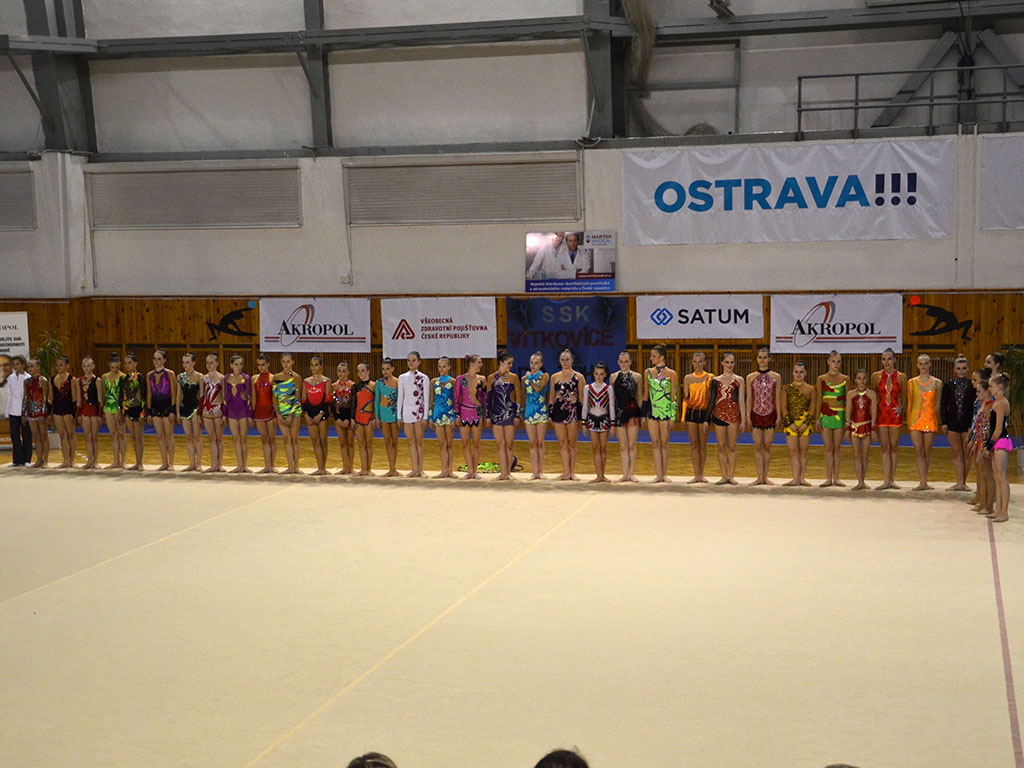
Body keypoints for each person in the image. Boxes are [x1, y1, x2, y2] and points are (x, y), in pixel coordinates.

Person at [745, 347, 782, 486]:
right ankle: (759, 477)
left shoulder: (776, 377)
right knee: (757, 446)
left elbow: (777, 397)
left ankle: (765, 477)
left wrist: (779, 416)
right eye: (760, 357)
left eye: (765, 357)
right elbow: (749, 398)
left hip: (770, 413)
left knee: (767, 446)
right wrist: (748, 416)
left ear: (769, 359)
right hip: (755, 413)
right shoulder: (751, 377)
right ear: (756, 359)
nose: (762, 360)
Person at [871, 348, 906, 491]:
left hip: (894, 414)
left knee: (894, 446)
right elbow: (874, 397)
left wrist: (901, 408)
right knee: (884, 447)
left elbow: (903, 396)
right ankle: (886, 480)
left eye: (889, 359)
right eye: (884, 359)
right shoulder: (876, 376)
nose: (887, 362)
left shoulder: (901, 377)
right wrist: (873, 416)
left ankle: (892, 479)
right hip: (881, 413)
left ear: (895, 360)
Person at [907, 353, 942, 491]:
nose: (923, 366)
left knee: (927, 451)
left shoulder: (937, 383)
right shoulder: (911, 382)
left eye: (926, 363)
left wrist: (937, 419)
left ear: (930, 364)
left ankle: (924, 480)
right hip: (915, 419)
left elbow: (937, 403)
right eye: (921, 364)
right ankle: (922, 481)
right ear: (917, 365)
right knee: (919, 451)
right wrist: (909, 421)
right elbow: (910, 402)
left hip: (930, 419)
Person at [644, 344, 678, 483]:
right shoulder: (648, 372)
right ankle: (658, 474)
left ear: (661, 357)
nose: (651, 358)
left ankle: (664, 474)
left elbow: (674, 396)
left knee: (664, 443)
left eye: (654, 356)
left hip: (665, 412)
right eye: (651, 356)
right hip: (652, 411)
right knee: (655, 443)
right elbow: (646, 394)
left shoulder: (672, 374)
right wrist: (643, 414)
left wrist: (673, 417)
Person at [710, 351, 745, 485]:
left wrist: (743, 420)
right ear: (722, 363)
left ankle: (731, 475)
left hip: (733, 416)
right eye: (727, 362)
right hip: (718, 414)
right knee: (721, 446)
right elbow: (712, 400)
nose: (729, 365)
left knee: (732, 446)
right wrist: (708, 418)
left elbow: (741, 400)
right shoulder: (715, 380)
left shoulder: (739, 380)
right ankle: (724, 475)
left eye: (732, 362)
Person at [940, 354, 974, 492]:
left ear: (968, 369)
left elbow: (975, 406)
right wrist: (944, 422)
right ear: (954, 369)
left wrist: (972, 424)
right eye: (958, 368)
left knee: (967, 452)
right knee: (956, 452)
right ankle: (959, 482)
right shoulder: (948, 385)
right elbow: (944, 404)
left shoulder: (972, 385)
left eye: (964, 368)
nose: (961, 371)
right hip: (952, 421)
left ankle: (963, 482)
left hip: (967, 422)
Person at [549, 348, 584, 481]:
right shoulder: (554, 377)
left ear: (572, 360)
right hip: (558, 412)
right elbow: (551, 398)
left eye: (567, 360)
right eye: (563, 360)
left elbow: (581, 399)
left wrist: (581, 417)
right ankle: (565, 471)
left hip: (573, 412)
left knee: (572, 443)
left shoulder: (579, 377)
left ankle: (572, 472)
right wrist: (550, 414)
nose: (565, 362)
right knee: (562, 443)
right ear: (559, 361)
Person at [817, 350, 849, 488]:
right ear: (828, 362)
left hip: (840, 415)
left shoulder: (845, 379)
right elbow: (819, 399)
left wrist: (847, 419)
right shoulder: (821, 379)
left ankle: (837, 478)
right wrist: (817, 418)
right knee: (828, 448)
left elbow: (848, 400)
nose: (836, 364)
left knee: (837, 447)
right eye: (833, 361)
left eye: (838, 362)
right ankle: (828, 478)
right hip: (826, 415)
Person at [486, 351, 521, 481]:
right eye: (508, 363)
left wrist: (517, 414)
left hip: (510, 414)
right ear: (501, 362)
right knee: (500, 444)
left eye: (511, 363)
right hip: (496, 414)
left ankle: (509, 472)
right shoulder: (491, 378)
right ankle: (503, 472)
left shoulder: (514, 378)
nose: (510, 366)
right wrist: (488, 416)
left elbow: (518, 397)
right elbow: (488, 399)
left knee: (509, 444)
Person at [781, 361, 816, 487]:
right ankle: (795, 478)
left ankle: (802, 478)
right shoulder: (786, 388)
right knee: (793, 451)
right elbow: (784, 408)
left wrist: (806, 424)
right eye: (796, 372)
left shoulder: (811, 389)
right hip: (790, 424)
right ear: (792, 373)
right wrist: (789, 424)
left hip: (805, 424)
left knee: (803, 451)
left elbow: (812, 408)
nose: (799, 374)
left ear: (805, 373)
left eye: (801, 372)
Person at [397, 351, 431, 478]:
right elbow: (400, 397)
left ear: (419, 362)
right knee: (411, 441)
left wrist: (425, 417)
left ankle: (420, 470)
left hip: (418, 412)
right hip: (406, 413)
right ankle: (414, 469)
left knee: (419, 441)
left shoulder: (424, 378)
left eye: (413, 360)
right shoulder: (402, 378)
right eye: (409, 360)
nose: (411, 363)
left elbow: (426, 398)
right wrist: (399, 416)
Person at [985, 373, 1013, 523]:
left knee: (1002, 477)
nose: (989, 389)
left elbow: (998, 429)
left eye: (991, 386)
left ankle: (1004, 512)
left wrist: (988, 446)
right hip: (997, 441)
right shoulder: (997, 402)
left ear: (999, 387)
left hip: (1001, 441)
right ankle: (998, 509)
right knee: (997, 477)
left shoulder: (1001, 403)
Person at [611, 350, 642, 483]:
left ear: (630, 362)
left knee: (632, 445)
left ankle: (631, 473)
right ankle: (624, 474)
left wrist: (641, 416)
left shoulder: (637, 377)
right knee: (623, 446)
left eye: (626, 362)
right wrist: (612, 417)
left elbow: (639, 397)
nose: (623, 364)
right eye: (621, 362)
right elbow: (612, 399)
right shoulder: (613, 377)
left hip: (632, 412)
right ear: (618, 362)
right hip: (619, 413)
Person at [682, 351, 713, 483]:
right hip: (691, 413)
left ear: (704, 362)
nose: (697, 364)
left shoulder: (710, 377)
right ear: (692, 362)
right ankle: (696, 475)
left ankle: (702, 474)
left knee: (703, 445)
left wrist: (708, 418)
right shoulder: (688, 378)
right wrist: (683, 417)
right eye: (695, 362)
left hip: (704, 413)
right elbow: (686, 399)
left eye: (700, 362)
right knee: (694, 444)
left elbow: (711, 399)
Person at [454, 354, 486, 479]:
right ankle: (470, 470)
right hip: (464, 412)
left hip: (477, 413)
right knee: (465, 443)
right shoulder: (460, 379)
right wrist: (457, 414)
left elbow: (484, 398)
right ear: (472, 364)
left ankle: (475, 471)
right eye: (479, 362)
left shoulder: (482, 379)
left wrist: (485, 414)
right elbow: (456, 398)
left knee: (477, 443)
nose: (481, 364)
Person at [582, 361, 616, 483]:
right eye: (596, 374)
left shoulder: (608, 388)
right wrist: (583, 423)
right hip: (592, 420)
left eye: (601, 374)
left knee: (603, 448)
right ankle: (598, 475)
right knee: (595, 448)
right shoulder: (587, 388)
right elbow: (585, 406)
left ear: (605, 375)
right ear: (593, 374)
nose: (599, 376)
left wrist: (613, 424)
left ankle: (603, 475)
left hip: (604, 420)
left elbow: (611, 406)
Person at [845, 369, 877, 491]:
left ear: (867, 379)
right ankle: (859, 481)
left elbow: (873, 412)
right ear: (855, 380)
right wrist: (848, 429)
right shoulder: (851, 394)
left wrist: (873, 429)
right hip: (854, 426)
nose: (862, 381)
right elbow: (848, 412)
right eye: (859, 378)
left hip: (867, 426)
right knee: (856, 454)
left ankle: (863, 480)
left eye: (864, 378)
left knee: (865, 454)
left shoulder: (872, 394)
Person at [968, 369, 995, 516]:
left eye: (979, 392)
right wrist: (975, 443)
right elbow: (978, 427)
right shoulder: (984, 404)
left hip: (985, 443)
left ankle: (989, 505)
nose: (977, 394)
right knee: (983, 475)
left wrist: (983, 447)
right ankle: (983, 502)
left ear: (986, 392)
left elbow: (987, 429)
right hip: (980, 442)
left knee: (988, 476)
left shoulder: (990, 406)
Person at [273, 352, 303, 475]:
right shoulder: (276, 377)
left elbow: (297, 397)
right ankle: (290, 466)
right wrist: (278, 413)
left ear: (292, 362)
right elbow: (274, 397)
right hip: (282, 410)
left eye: (288, 362)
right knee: (286, 439)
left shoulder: (297, 378)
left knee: (294, 439)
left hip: (294, 411)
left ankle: (296, 466)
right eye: (284, 362)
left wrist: (291, 415)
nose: (286, 364)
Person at [147, 350, 177, 471]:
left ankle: (171, 463)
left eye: (159, 359)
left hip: (167, 407)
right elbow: (149, 394)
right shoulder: (149, 375)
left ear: (164, 360)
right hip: (155, 408)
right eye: (155, 358)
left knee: (169, 435)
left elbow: (173, 393)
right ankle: (164, 462)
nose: (156, 361)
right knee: (160, 436)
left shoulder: (169, 374)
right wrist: (149, 411)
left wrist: (173, 410)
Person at [521, 352, 549, 480]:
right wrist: (522, 411)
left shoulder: (544, 376)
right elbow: (524, 395)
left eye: (536, 363)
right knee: (532, 443)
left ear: (541, 364)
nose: (533, 365)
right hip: (529, 411)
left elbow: (538, 388)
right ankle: (534, 471)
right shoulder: (524, 379)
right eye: (531, 363)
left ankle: (541, 471)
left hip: (541, 411)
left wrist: (529, 378)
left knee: (540, 442)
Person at [223, 354, 253, 473]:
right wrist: (224, 415)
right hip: (231, 411)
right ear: (231, 365)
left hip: (243, 410)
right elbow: (225, 397)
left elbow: (249, 397)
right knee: (236, 438)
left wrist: (250, 415)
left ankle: (244, 466)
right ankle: (239, 465)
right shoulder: (226, 378)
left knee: (243, 438)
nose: (239, 367)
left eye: (241, 364)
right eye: (236, 364)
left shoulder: (246, 378)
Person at [302, 355, 331, 476]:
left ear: (321, 366)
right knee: (315, 441)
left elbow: (327, 400)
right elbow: (304, 400)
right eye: (312, 365)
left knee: (323, 440)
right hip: (310, 414)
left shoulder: (326, 381)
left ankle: (323, 467)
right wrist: (306, 415)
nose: (314, 367)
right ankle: (319, 467)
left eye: (316, 365)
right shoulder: (306, 381)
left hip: (322, 413)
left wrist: (321, 414)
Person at [430, 356, 457, 479]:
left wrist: (454, 417)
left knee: (449, 444)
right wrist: (430, 417)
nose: (441, 369)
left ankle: (450, 470)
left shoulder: (453, 381)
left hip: (449, 414)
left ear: (449, 367)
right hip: (438, 415)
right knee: (442, 444)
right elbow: (432, 401)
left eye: (444, 366)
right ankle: (443, 470)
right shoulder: (433, 382)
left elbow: (455, 400)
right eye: (439, 367)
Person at [50, 355, 79, 468]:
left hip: (68, 409)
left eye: (61, 365)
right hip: (57, 409)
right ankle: (66, 460)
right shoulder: (52, 379)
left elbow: (74, 398)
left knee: (70, 434)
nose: (59, 367)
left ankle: (72, 460)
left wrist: (74, 413)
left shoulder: (72, 379)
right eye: (57, 365)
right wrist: (49, 412)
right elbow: (51, 397)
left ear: (67, 366)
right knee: (62, 435)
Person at [120, 352, 147, 471]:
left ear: (135, 364)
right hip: (128, 410)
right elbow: (121, 396)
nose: (127, 365)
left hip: (139, 409)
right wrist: (122, 411)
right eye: (125, 363)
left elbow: (144, 394)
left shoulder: (140, 378)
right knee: (133, 438)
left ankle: (140, 462)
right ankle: (136, 462)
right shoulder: (123, 379)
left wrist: (144, 412)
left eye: (130, 363)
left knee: (139, 438)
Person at [252, 354, 277, 474]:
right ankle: (267, 466)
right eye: (259, 365)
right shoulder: (254, 378)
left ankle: (272, 465)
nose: (261, 367)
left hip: (270, 411)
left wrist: (277, 413)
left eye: (263, 365)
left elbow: (275, 397)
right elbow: (253, 397)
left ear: (268, 364)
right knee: (264, 439)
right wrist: (252, 413)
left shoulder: (273, 378)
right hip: (259, 411)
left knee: (272, 439)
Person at [374, 358, 400, 477]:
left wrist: (400, 416)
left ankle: (394, 468)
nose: (385, 371)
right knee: (388, 441)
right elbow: (377, 400)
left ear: (392, 369)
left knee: (394, 441)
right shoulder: (379, 383)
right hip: (384, 413)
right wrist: (377, 417)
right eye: (383, 369)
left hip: (394, 413)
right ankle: (391, 468)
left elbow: (400, 399)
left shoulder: (398, 382)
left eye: (388, 369)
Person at [201, 353, 226, 473]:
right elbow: (202, 396)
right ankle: (213, 464)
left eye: (211, 363)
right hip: (206, 410)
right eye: (207, 363)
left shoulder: (222, 378)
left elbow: (224, 397)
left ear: (217, 364)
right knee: (211, 438)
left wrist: (225, 414)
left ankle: (220, 464)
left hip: (218, 410)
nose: (209, 365)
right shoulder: (203, 378)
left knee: (219, 438)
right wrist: (200, 413)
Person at [23, 357, 50, 468]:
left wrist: (44, 413)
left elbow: (45, 398)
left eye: (32, 366)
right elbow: (25, 397)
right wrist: (23, 413)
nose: (30, 368)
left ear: (38, 367)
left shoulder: (43, 380)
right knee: (36, 436)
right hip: (30, 411)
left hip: (40, 411)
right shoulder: (26, 382)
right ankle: (39, 460)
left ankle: (46, 460)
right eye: (28, 366)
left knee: (43, 436)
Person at [102, 352, 127, 470]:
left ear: (120, 364)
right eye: (112, 367)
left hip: (119, 406)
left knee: (121, 434)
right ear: (109, 364)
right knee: (113, 434)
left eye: (117, 367)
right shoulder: (104, 377)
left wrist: (122, 410)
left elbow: (125, 395)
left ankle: (123, 461)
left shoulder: (123, 377)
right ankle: (116, 460)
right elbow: (104, 393)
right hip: (108, 406)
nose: (115, 369)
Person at [5, 354, 30, 467]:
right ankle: (17, 459)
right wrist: (8, 411)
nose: (15, 366)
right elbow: (9, 395)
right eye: (14, 364)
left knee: (26, 435)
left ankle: (27, 459)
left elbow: (28, 396)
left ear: (23, 364)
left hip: (24, 411)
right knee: (14, 435)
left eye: (18, 364)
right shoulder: (11, 378)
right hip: (13, 410)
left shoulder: (28, 377)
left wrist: (26, 411)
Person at [77, 356, 102, 470]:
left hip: (94, 410)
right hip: (84, 410)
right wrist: (78, 414)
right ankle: (89, 461)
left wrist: (100, 414)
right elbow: (79, 398)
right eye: (84, 366)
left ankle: (95, 461)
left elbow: (100, 399)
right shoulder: (79, 380)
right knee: (87, 437)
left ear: (93, 367)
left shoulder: (97, 380)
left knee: (94, 437)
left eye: (88, 366)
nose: (86, 368)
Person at [331, 362, 355, 475]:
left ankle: (351, 467)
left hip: (349, 418)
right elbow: (332, 404)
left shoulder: (352, 386)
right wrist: (337, 418)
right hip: (339, 417)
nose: (341, 373)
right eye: (339, 371)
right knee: (342, 443)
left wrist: (349, 419)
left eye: (344, 371)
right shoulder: (333, 386)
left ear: (348, 372)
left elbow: (353, 404)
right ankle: (345, 466)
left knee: (350, 442)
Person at [352, 362, 376, 476]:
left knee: (369, 444)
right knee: (361, 444)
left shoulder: (374, 386)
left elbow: (376, 402)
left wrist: (375, 417)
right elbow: (354, 403)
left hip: (369, 417)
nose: (360, 373)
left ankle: (369, 469)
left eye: (362, 370)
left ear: (368, 371)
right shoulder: (355, 387)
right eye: (358, 371)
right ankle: (363, 468)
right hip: (358, 417)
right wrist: (352, 418)